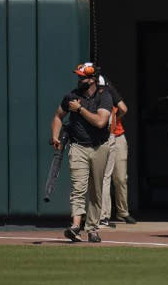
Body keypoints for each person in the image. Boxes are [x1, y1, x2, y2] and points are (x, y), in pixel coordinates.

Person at [52, 62, 113, 243]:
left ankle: (92, 228)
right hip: (78, 146)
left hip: (99, 147)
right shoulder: (71, 96)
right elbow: (57, 116)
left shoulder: (105, 97)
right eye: (79, 76)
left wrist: (79, 109)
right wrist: (55, 136)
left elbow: (101, 122)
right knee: (78, 187)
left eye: (83, 77)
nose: (80, 79)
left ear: (93, 79)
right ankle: (75, 226)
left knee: (96, 190)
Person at [98, 76, 136, 226]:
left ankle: (123, 212)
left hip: (118, 135)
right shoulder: (91, 96)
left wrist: (114, 119)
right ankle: (103, 215)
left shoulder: (109, 92)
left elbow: (124, 109)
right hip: (104, 138)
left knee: (120, 178)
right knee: (104, 178)